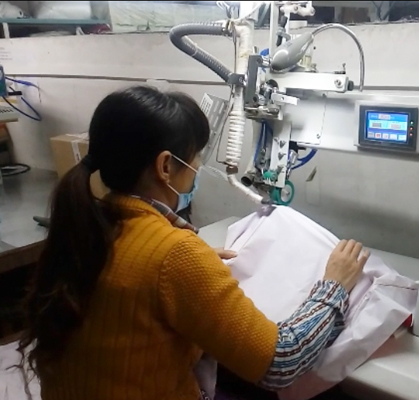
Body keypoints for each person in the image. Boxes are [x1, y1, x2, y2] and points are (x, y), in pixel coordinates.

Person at [17, 86, 370, 400]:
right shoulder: (175, 255)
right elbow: (281, 361)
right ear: (165, 166)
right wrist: (333, 286)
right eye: (196, 155)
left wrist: (182, 269)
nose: (199, 165)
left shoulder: (87, 226)